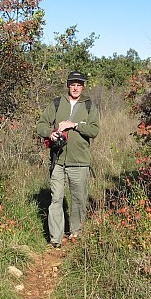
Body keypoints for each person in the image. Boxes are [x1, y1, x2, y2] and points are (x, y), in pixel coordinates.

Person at [36, 71, 100, 249]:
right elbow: (40, 124)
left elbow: (94, 130)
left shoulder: (88, 105)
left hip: (80, 162)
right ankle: (55, 239)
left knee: (78, 199)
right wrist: (51, 133)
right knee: (56, 199)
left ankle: (75, 231)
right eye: (73, 84)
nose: (76, 87)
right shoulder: (57, 103)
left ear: (83, 87)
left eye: (79, 84)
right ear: (68, 85)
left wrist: (75, 125)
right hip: (58, 160)